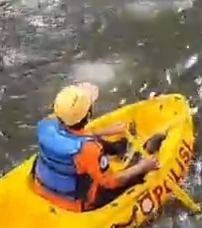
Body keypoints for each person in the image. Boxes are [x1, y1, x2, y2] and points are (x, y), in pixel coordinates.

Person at [32, 82, 163, 212]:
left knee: (95, 144)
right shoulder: (88, 150)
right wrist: (143, 167)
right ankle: (142, 158)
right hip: (78, 204)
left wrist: (108, 131)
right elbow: (111, 182)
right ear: (88, 115)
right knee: (135, 176)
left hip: (45, 189)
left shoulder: (47, 124)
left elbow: (73, 136)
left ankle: (121, 148)